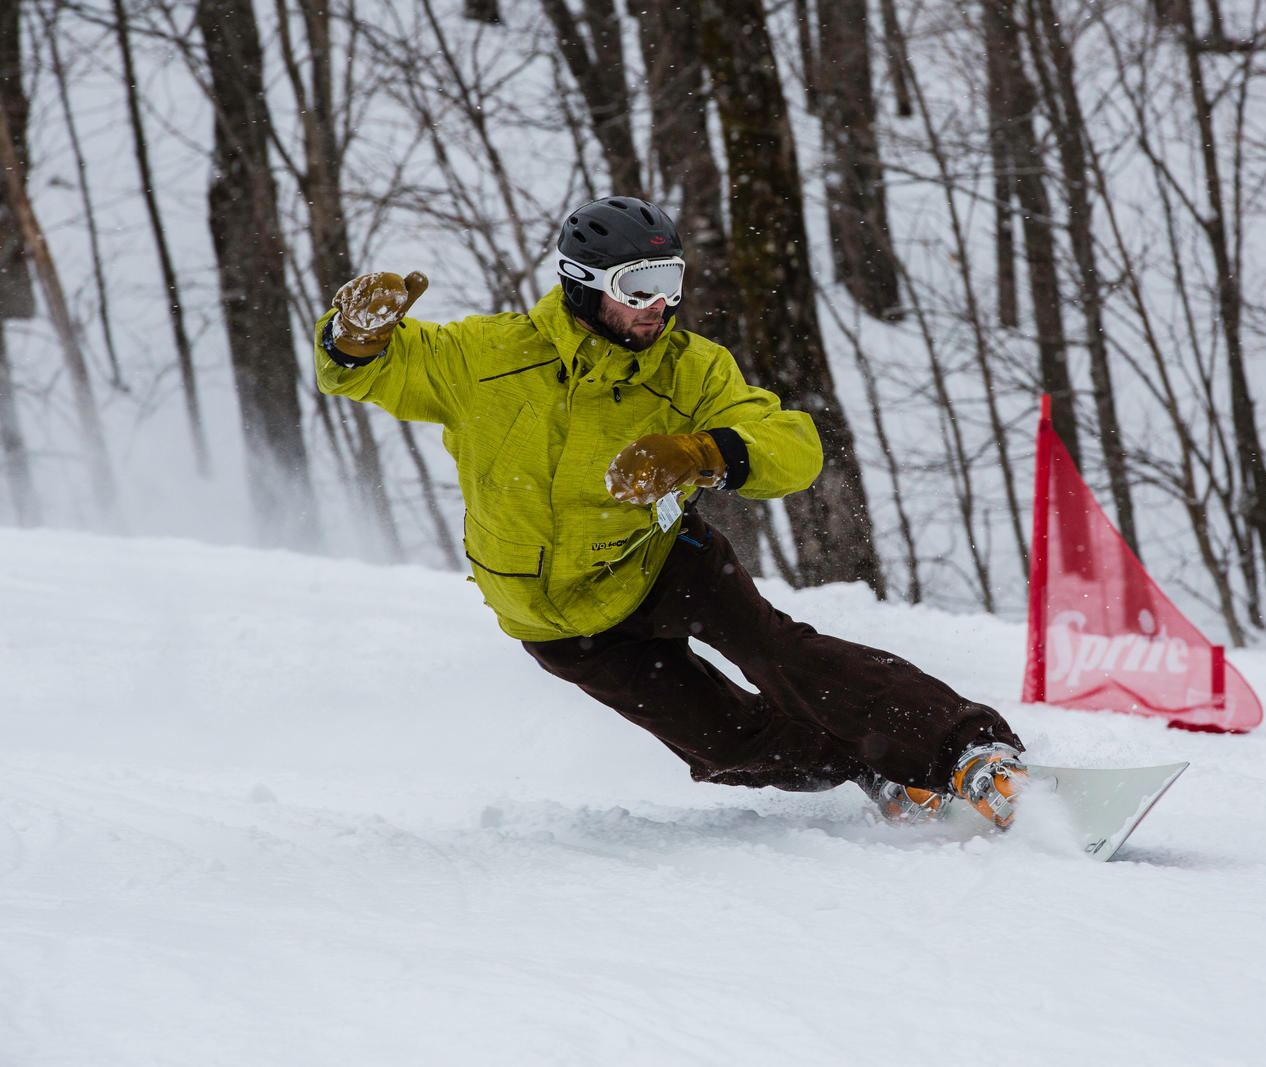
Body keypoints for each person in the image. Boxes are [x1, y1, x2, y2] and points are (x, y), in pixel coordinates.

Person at [313, 196, 1030, 826]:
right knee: (727, 744)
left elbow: (793, 446)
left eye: (672, 282)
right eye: (641, 286)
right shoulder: (486, 358)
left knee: (779, 653)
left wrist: (705, 452)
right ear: (584, 284)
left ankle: (967, 748)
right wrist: (352, 336)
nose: (661, 304)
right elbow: (371, 368)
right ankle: (876, 767)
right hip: (559, 625)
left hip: (663, 563)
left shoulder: (691, 368)